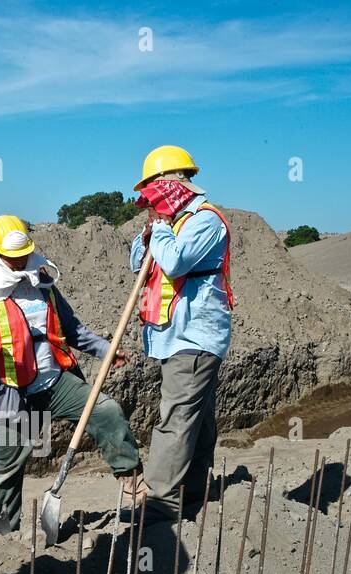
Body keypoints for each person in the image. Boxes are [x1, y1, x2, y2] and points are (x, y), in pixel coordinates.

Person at [0, 215, 142, 531]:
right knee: (6, 470)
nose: (21, 261)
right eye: (14, 257)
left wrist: (104, 350)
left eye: (24, 253)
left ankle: (133, 482)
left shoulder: (43, 286)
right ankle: (3, 535)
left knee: (106, 411)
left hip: (54, 381)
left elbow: (73, 329)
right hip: (10, 394)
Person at [128, 145, 235, 521]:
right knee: (199, 419)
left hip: (195, 335)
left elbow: (174, 261)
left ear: (175, 181)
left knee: (174, 419)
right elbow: (135, 264)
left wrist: (158, 232)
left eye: (154, 186)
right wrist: (149, 236)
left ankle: (160, 503)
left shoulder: (205, 221)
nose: (150, 197)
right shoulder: (167, 224)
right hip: (175, 334)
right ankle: (193, 494)